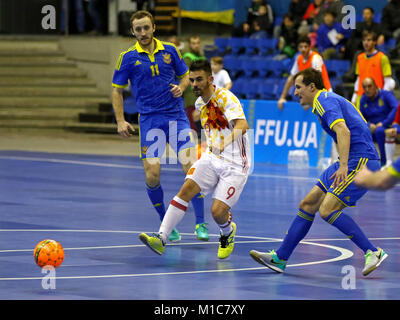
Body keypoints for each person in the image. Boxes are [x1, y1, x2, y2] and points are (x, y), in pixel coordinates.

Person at [250, 68, 388, 276]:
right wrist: (341, 162)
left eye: (298, 87)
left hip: (361, 160)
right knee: (308, 204)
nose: (295, 92)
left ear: (312, 86)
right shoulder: (324, 100)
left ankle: (373, 251)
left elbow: (343, 130)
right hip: (348, 159)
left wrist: (343, 166)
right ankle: (280, 258)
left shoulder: (324, 100)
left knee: (327, 210)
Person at [111, 11, 208, 243]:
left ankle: (201, 223)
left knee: (192, 168)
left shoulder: (171, 51)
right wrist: (120, 120)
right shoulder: (127, 57)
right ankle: (166, 224)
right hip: (150, 120)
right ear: (133, 32)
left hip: (176, 117)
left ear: (154, 27)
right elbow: (117, 90)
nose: (143, 33)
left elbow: (186, 76)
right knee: (152, 175)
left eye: (146, 27)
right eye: (138, 29)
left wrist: (182, 87)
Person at [139, 60, 251, 259]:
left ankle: (227, 231)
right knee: (185, 190)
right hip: (211, 158)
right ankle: (161, 238)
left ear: (210, 79)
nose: (195, 84)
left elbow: (242, 124)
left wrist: (224, 143)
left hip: (234, 164)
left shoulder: (225, 98)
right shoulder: (199, 103)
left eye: (199, 79)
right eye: (191, 80)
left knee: (217, 212)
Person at [278, 35, 332, 111]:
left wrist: (310, 100)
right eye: (301, 47)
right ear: (298, 48)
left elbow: (318, 81)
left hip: (325, 94)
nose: (303, 49)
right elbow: (291, 78)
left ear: (310, 47)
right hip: (311, 96)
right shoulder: (299, 58)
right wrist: (282, 97)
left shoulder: (316, 58)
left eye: (306, 47)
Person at [359, 77, 399, 167]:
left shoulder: (386, 95)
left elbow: (396, 107)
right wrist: (368, 125)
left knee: (380, 131)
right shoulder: (363, 99)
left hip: (388, 125)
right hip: (372, 127)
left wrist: (384, 123)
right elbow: (360, 117)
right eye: (364, 87)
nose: (367, 89)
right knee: (359, 131)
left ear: (375, 86)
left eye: (369, 86)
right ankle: (364, 163)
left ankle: (384, 161)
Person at [352, 31, 394, 108]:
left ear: (374, 42)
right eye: (364, 40)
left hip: (376, 98)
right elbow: (358, 79)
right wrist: (354, 97)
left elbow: (389, 81)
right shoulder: (359, 58)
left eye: (369, 40)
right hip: (361, 97)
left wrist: (383, 97)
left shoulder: (382, 58)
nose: (366, 43)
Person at [182, 35, 207, 138]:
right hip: (191, 94)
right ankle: (193, 145)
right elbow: (188, 75)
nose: (196, 45)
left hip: (203, 93)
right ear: (190, 44)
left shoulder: (202, 56)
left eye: (198, 43)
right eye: (193, 43)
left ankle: (203, 145)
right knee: (192, 122)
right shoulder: (187, 57)